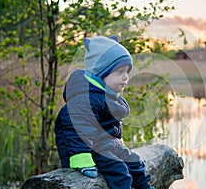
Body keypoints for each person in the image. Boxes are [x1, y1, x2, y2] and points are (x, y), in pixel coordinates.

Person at [54, 35, 154, 189]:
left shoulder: (107, 95)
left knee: (134, 162)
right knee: (119, 170)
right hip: (87, 150)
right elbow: (76, 129)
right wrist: (82, 158)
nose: (126, 77)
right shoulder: (86, 99)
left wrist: (117, 145)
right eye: (120, 72)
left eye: (127, 71)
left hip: (105, 146)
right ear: (102, 72)